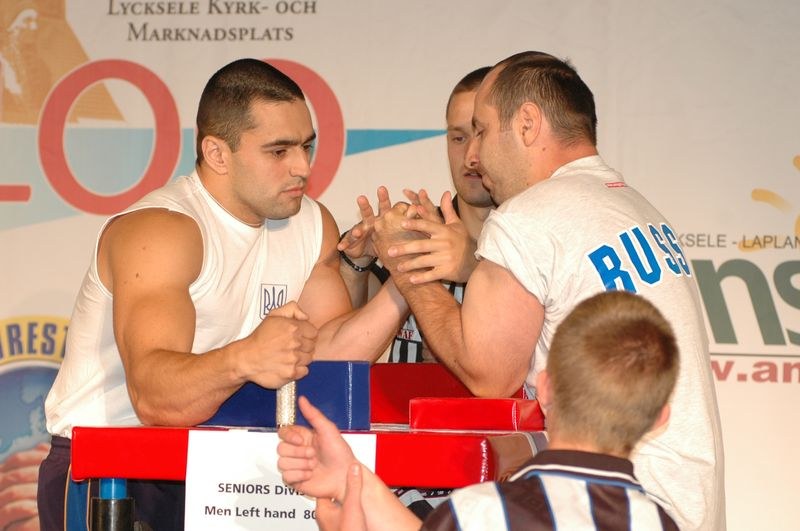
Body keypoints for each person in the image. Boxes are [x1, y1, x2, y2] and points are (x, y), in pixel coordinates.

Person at [37, 58, 408, 531]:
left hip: (216, 462)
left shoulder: (310, 225)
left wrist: (406, 281)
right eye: (280, 151)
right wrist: (246, 357)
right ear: (217, 153)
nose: (303, 167)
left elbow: (333, 355)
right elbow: (155, 399)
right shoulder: (163, 231)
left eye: (307, 146)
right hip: (115, 464)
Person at [372, 51, 725, 530]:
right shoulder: (632, 205)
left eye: (482, 129)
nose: (474, 155)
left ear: (527, 123)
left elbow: (487, 372)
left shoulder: (530, 215)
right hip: (678, 504)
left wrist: (404, 262)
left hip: (613, 506)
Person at [277, 291, 681, 531]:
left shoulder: (484, 512)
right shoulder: (659, 523)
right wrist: (355, 482)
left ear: (544, 388)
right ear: (660, 417)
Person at [338, 66, 494, 363]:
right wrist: (356, 262)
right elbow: (344, 349)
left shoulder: (536, 238)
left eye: (482, 135)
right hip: (399, 409)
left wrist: (472, 264)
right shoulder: (412, 233)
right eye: (458, 138)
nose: (471, 155)